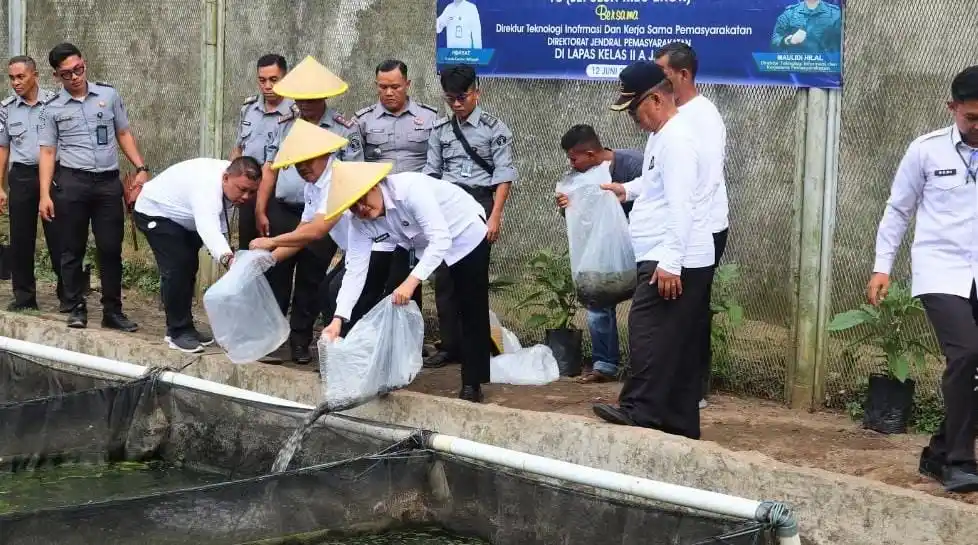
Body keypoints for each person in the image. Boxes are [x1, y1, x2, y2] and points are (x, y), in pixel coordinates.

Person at [868, 65, 978, 493]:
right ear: (953, 108)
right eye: (971, 118)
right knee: (967, 352)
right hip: (941, 271)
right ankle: (960, 461)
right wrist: (882, 266)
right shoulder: (926, 151)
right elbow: (898, 210)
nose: (977, 127)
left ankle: (937, 452)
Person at [591, 61, 715, 440]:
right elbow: (655, 182)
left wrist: (671, 262)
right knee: (673, 341)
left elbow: (682, 204)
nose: (634, 119)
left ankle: (638, 409)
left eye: (635, 110)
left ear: (657, 99)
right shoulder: (662, 136)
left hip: (672, 256)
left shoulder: (677, 140)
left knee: (646, 331)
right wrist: (626, 190)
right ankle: (679, 423)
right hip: (665, 253)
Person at [320, 161, 491, 403]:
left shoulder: (410, 190)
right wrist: (338, 318)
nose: (361, 209)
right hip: (415, 244)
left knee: (470, 305)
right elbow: (355, 270)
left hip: (463, 232)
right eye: (352, 206)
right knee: (392, 299)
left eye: (362, 199)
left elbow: (440, 239)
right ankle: (392, 373)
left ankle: (473, 383)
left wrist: (411, 283)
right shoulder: (359, 222)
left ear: (375, 185)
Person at [252, 55, 360, 363]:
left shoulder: (343, 129)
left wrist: (272, 244)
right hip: (289, 210)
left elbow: (352, 176)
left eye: (312, 99)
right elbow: (270, 168)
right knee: (277, 274)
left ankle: (302, 341)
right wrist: (261, 209)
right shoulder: (285, 125)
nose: (306, 105)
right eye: (301, 100)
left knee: (313, 281)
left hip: (330, 220)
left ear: (324, 97)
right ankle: (271, 339)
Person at [38, 42, 149, 332]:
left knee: (110, 249)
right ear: (56, 76)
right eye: (67, 74)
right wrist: (44, 194)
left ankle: (112, 311)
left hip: (108, 185)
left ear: (84, 64)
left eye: (79, 69)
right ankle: (76, 307)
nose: (75, 77)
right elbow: (47, 152)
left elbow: (123, 132)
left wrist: (141, 167)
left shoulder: (108, 95)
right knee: (71, 249)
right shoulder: (51, 108)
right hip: (72, 183)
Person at [249, 120, 391, 340]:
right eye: (298, 164)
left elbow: (317, 230)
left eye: (309, 161)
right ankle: (337, 346)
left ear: (326, 154)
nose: (303, 168)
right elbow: (303, 231)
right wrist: (270, 259)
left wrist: (272, 242)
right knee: (326, 292)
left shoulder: (337, 178)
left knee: (339, 294)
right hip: (355, 250)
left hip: (380, 247)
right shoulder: (312, 187)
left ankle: (350, 350)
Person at [423, 64, 517, 367]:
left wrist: (495, 216)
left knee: (473, 279)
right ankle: (450, 345)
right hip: (447, 204)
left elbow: (503, 176)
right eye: (450, 99)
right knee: (444, 278)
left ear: (477, 92)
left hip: (479, 204)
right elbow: (432, 173)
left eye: (461, 97)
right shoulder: (440, 129)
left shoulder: (494, 129)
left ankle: (474, 349)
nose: (456, 104)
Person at [654, 42, 729, 409]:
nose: (657, 80)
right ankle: (677, 384)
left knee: (694, 308)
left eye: (663, 73)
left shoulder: (704, 116)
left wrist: (686, 233)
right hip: (681, 226)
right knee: (677, 308)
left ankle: (693, 390)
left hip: (703, 227)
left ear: (683, 74)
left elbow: (707, 181)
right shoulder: (670, 113)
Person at [133, 157, 261, 353]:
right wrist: (228, 259)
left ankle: (185, 326)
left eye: (252, 192)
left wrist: (227, 253)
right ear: (226, 178)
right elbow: (209, 228)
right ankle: (177, 332)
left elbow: (220, 224)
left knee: (189, 266)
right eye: (242, 189)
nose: (246, 196)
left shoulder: (228, 184)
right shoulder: (206, 187)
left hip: (184, 219)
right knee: (177, 267)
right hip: (155, 212)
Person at [555, 124, 643, 383]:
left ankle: (643, 369)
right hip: (602, 249)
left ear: (591, 154)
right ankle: (604, 365)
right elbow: (582, 217)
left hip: (642, 245)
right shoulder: (578, 176)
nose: (571, 164)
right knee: (596, 299)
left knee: (644, 309)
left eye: (574, 158)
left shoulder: (633, 164)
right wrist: (567, 206)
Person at [350, 59, 439, 315]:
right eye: (383, 87)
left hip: (416, 209)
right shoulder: (362, 121)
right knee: (372, 277)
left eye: (395, 87)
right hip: (379, 211)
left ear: (407, 84)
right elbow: (356, 166)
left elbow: (436, 163)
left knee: (410, 277)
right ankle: (368, 328)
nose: (389, 92)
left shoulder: (430, 118)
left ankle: (411, 332)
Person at [0, 55, 65, 312]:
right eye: (12, 78)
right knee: (21, 237)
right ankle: (24, 297)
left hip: (55, 174)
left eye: (21, 77)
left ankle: (69, 296)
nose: (15, 82)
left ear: (35, 75)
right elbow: (3, 148)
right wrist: (0, 186)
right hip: (22, 176)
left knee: (60, 237)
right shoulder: (6, 108)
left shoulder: (55, 103)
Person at [231, 54, 294, 249]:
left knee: (269, 250)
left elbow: (272, 166)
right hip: (248, 191)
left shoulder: (294, 113)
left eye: (274, 80)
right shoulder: (249, 108)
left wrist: (261, 209)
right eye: (262, 80)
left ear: (285, 78)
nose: (267, 86)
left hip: (276, 194)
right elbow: (239, 148)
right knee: (245, 247)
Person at [770, 0, 842, 54]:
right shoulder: (790, 13)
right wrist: (789, 40)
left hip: (826, 66)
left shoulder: (835, 13)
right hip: (798, 66)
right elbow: (775, 41)